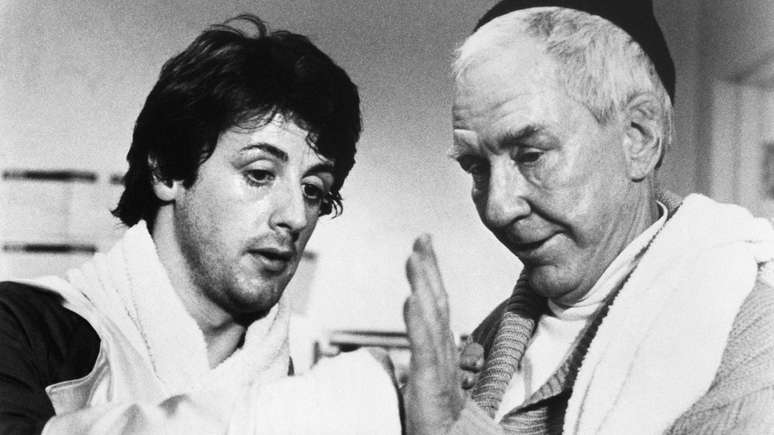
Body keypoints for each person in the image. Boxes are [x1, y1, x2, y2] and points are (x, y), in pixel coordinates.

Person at [0, 14, 400, 434]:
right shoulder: (21, 330)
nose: (296, 216)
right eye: (259, 174)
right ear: (167, 171)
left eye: (313, 189)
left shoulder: (300, 399)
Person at [402, 1, 774, 434]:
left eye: (531, 154)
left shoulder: (752, 343)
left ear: (639, 138)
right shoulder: (489, 342)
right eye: (476, 167)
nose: (497, 209)